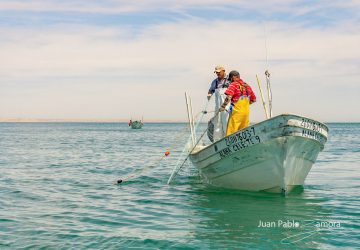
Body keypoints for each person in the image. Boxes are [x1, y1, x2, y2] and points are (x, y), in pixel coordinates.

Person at [219, 70, 256, 136]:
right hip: (246, 113)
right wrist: (245, 104)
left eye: (230, 79)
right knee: (243, 133)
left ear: (233, 77)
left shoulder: (234, 84)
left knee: (231, 133)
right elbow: (254, 99)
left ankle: (230, 145)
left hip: (236, 114)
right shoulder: (247, 86)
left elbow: (229, 97)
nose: (230, 81)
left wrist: (223, 106)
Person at [207, 65, 230, 141]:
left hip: (227, 105)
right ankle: (217, 140)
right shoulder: (215, 81)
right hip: (218, 106)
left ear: (223, 71)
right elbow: (211, 90)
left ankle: (228, 138)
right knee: (217, 123)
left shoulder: (229, 79)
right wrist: (209, 94)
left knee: (226, 121)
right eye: (216, 72)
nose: (217, 74)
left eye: (219, 72)